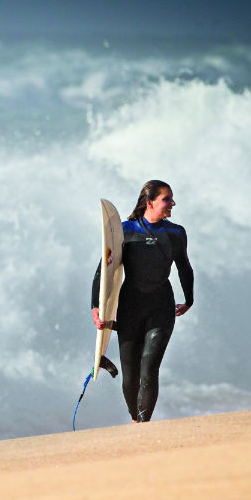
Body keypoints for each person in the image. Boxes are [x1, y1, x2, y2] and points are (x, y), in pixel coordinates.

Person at [91, 180, 193, 422]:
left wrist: (189, 299)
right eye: (167, 199)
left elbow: (184, 268)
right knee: (130, 375)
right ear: (150, 203)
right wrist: (96, 307)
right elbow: (103, 272)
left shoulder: (176, 233)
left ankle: (144, 424)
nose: (172, 203)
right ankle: (136, 420)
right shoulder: (124, 231)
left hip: (161, 306)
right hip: (130, 307)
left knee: (150, 369)